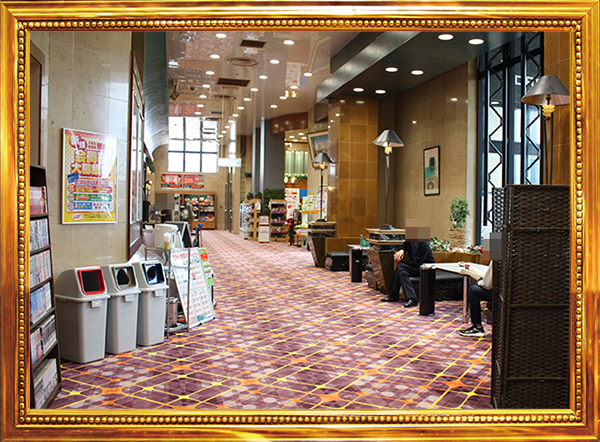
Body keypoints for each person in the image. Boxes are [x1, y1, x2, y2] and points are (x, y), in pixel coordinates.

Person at [381, 220, 435, 308]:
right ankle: (412, 298)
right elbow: (403, 246)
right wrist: (402, 250)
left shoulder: (424, 245)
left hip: (424, 268)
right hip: (414, 267)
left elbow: (417, 263)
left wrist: (401, 261)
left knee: (400, 267)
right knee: (402, 273)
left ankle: (394, 294)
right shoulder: (410, 241)